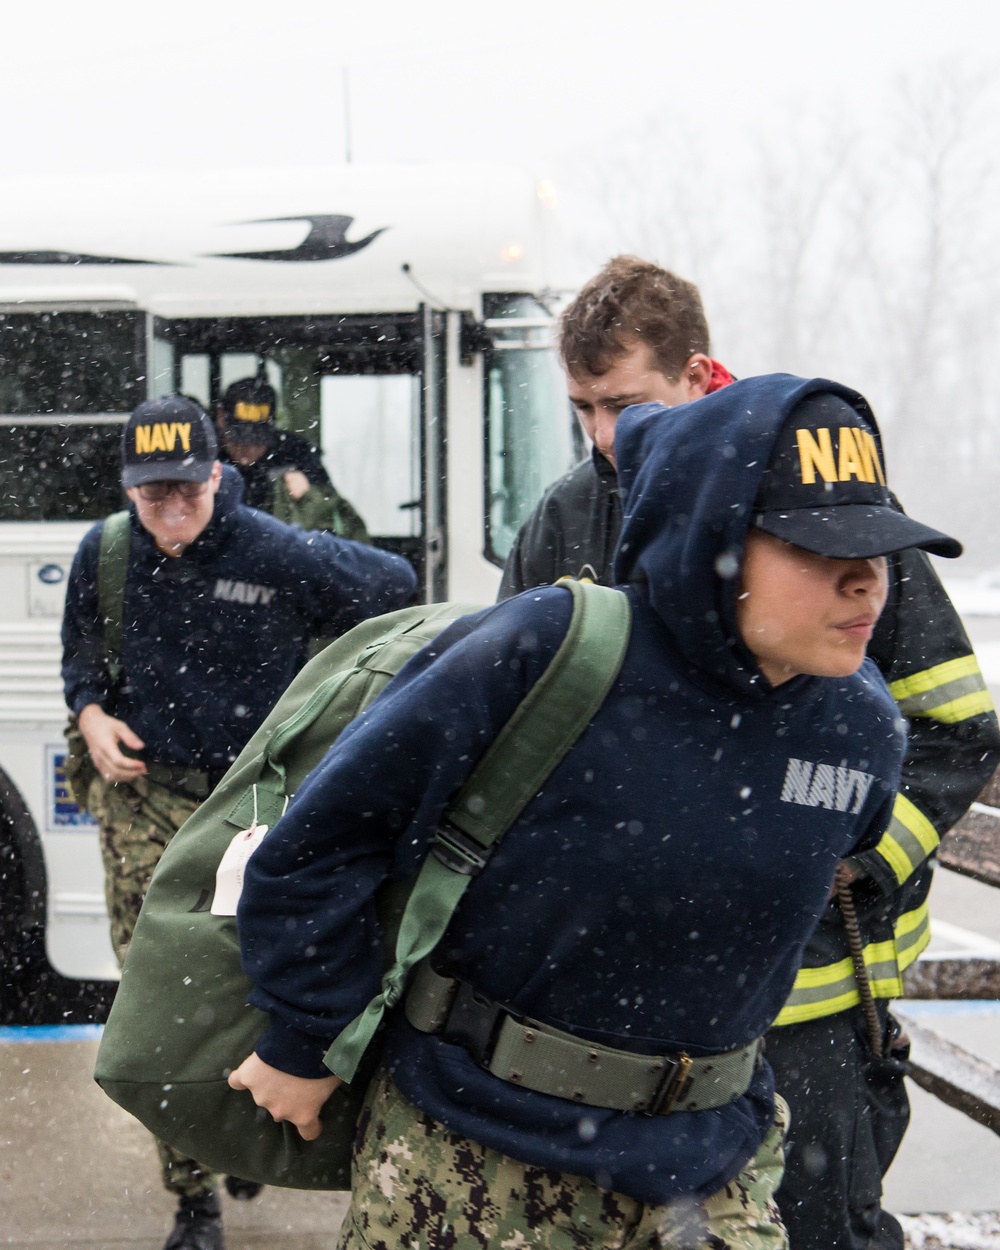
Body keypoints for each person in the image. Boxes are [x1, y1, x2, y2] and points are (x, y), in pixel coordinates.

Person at [228, 375, 959, 1250]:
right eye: (819, 547)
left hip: (712, 1166)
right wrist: (305, 1039)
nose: (865, 582)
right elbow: (325, 842)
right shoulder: (548, 651)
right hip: (476, 1152)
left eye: (878, 550)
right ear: (709, 539)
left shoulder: (862, 726)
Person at [498, 256, 1000, 1250]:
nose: (605, 438)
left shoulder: (820, 491)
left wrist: (856, 863)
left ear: (698, 373)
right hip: (625, 997)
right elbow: (513, 726)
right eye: (582, 410)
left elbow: (953, 724)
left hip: (808, 997)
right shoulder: (564, 515)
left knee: (813, 1228)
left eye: (624, 403)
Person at [61, 394, 416, 1250]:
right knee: (158, 996)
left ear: (220, 475)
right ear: (128, 489)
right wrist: (90, 717)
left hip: (254, 805)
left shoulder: (274, 549)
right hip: (147, 800)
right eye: (154, 494)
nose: (172, 509)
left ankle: (243, 1123)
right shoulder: (105, 551)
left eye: (188, 488)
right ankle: (193, 1196)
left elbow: (395, 589)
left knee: (257, 977)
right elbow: (80, 662)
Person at [216, 373, 370, 539]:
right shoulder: (208, 455)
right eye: (237, 440)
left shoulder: (295, 454)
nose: (246, 451)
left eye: (256, 442)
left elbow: (335, 522)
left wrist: (309, 495)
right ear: (220, 418)